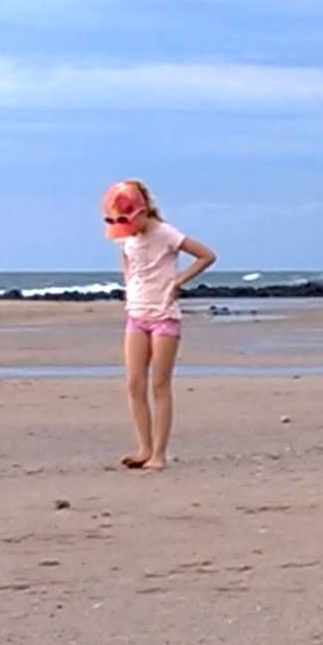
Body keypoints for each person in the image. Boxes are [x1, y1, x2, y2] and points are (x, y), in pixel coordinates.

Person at [102, 179, 216, 471]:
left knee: (159, 385)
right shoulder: (127, 237)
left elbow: (206, 255)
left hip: (164, 316)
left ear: (143, 211)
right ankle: (144, 448)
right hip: (136, 314)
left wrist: (178, 281)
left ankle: (159, 454)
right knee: (134, 383)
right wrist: (129, 283)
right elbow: (126, 259)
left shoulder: (165, 233)